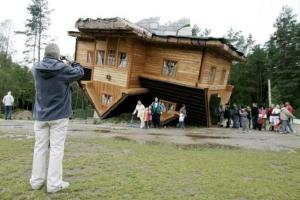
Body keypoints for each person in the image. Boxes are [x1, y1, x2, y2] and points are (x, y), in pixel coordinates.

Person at [30, 43, 84, 193]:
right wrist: (71, 61)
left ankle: (36, 182)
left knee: (39, 148)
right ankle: (53, 184)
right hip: (59, 116)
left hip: (40, 116)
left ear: (45, 54)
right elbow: (80, 72)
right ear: (57, 55)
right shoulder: (63, 69)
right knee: (56, 150)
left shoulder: (35, 68)